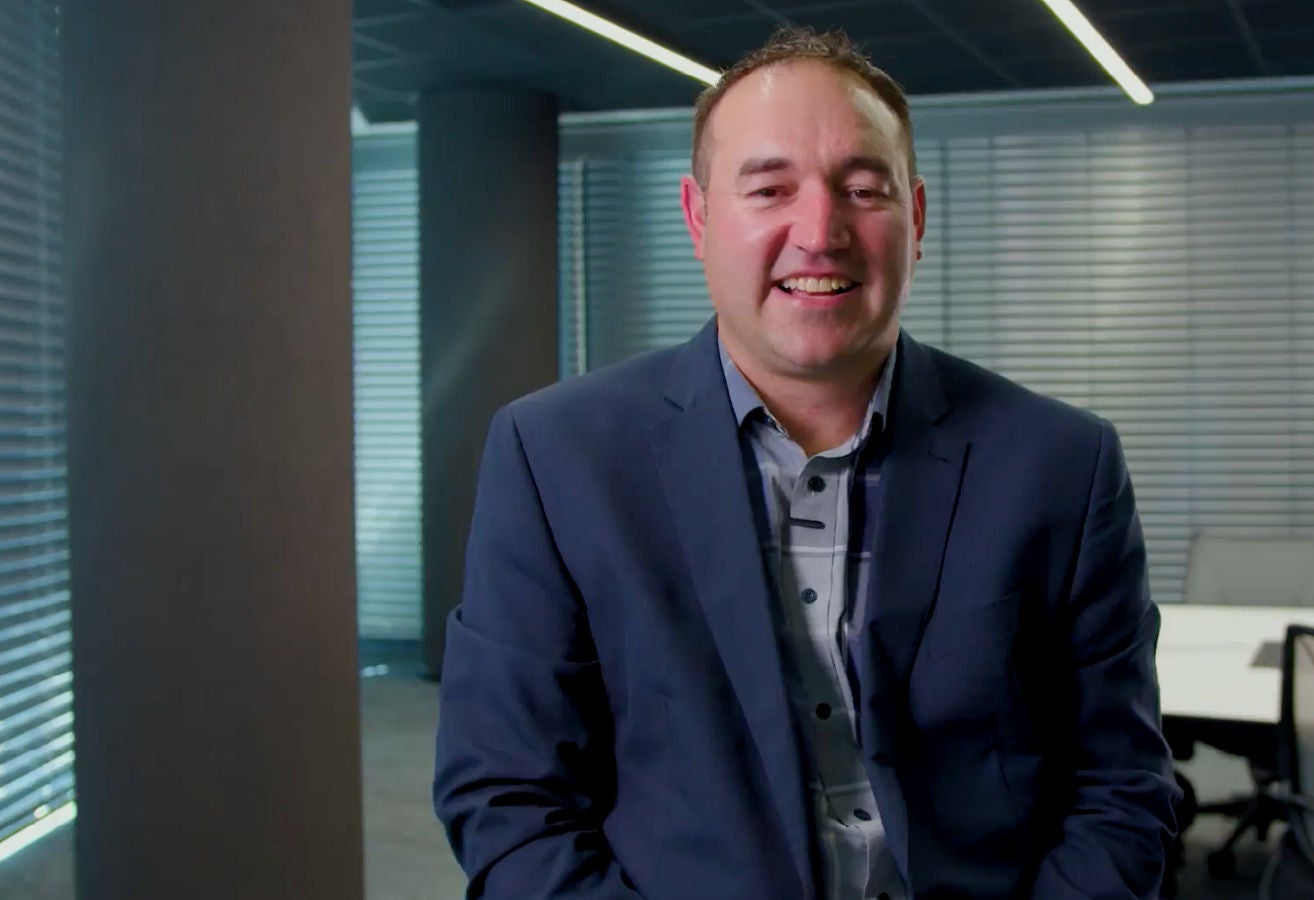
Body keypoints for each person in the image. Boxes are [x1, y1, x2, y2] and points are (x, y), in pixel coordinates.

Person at [433, 26, 1179, 900]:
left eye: (863, 188)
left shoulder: (1062, 464)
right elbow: (509, 798)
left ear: (918, 218)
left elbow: (1120, 788)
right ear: (699, 217)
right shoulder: (555, 458)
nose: (820, 232)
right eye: (769, 189)